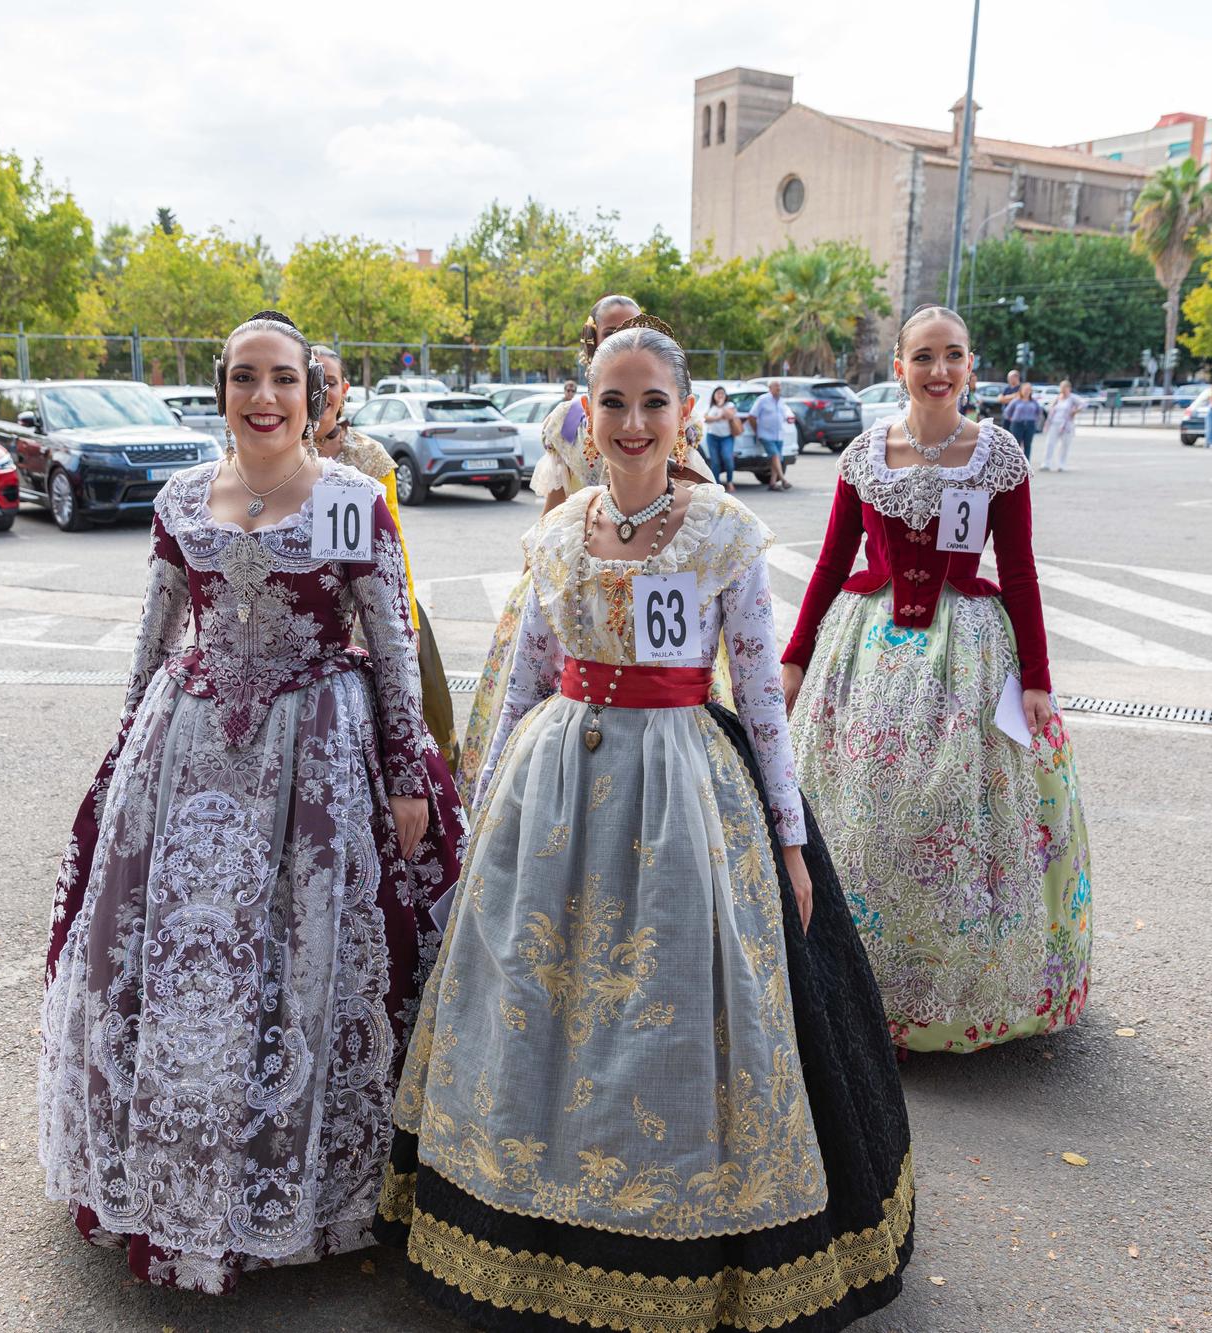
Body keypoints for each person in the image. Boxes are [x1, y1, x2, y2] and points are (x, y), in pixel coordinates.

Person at [378, 320, 914, 1330]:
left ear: (685, 413)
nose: (629, 422)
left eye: (650, 402)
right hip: (556, 789)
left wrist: (788, 841)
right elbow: (530, 678)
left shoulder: (720, 531)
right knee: (539, 1001)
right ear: (584, 411)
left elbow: (759, 693)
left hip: (679, 789)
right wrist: (486, 807)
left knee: (669, 999)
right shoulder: (554, 531)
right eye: (610, 402)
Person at [38, 311, 467, 1294]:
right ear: (221, 388)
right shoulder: (182, 496)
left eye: (283, 379)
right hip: (188, 755)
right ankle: (178, 1176)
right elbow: (153, 639)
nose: (264, 398)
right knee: (185, 961)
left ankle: (310, 1187)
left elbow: (391, 646)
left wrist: (406, 776)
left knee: (306, 961)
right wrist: (120, 764)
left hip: (319, 752)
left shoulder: (354, 499)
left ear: (311, 394)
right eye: (244, 379)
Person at [781, 305, 1091, 1053]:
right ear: (898, 366)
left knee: (955, 820)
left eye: (953, 355)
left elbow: (1017, 569)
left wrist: (1038, 677)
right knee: (864, 817)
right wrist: (793, 657)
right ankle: (858, 992)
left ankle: (954, 996)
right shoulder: (863, 453)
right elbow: (830, 562)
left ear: (972, 367)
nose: (939, 370)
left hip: (969, 656)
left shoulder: (998, 454)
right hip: (865, 654)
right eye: (923, 356)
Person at [457, 294, 642, 796]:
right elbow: (554, 506)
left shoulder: (668, 407)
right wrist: (527, 579)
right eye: (612, 332)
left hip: (647, 575)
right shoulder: (568, 419)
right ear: (592, 342)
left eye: (636, 327)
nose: (625, 338)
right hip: (571, 573)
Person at [312, 343, 459, 768]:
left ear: (346, 389)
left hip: (366, 611)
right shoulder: (273, 456)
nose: (321, 391)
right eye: (311, 380)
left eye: (331, 382)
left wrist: (403, 625)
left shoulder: (368, 458)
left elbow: (392, 550)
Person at [749, 376, 792, 489]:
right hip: (766, 434)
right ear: (770, 387)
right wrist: (757, 431)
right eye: (776, 386)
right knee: (775, 456)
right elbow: (752, 416)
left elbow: (785, 415)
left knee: (776, 458)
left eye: (779, 386)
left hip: (779, 435)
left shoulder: (781, 401)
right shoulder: (762, 400)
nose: (779, 388)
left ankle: (772, 482)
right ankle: (783, 479)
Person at [703, 383, 740, 491]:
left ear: (725, 395)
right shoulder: (710, 406)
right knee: (715, 461)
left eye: (722, 394)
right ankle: (717, 484)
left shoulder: (729, 405)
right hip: (712, 437)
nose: (720, 395)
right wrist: (718, 417)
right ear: (714, 395)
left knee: (727, 458)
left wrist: (722, 405)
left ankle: (729, 481)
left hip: (726, 437)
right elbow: (706, 418)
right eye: (718, 393)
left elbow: (730, 416)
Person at [1041, 379, 1081, 472]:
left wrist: (1075, 411)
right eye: (1062, 387)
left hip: (1066, 424)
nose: (1063, 389)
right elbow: (1050, 408)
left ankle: (1061, 464)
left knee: (1065, 445)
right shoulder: (1058, 398)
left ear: (1069, 388)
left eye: (1065, 387)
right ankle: (1046, 463)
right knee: (1050, 443)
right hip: (1054, 423)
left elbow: (1083, 404)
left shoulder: (1072, 398)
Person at [1003, 381, 1043, 463]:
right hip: (1017, 424)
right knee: (1016, 445)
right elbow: (1007, 412)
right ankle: (1015, 463)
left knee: (1027, 445)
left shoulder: (1034, 402)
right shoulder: (1016, 401)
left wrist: (1035, 420)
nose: (1027, 391)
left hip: (1030, 425)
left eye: (1029, 390)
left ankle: (1027, 464)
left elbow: (1039, 412)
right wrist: (1011, 419)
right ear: (1021, 390)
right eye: (1025, 389)